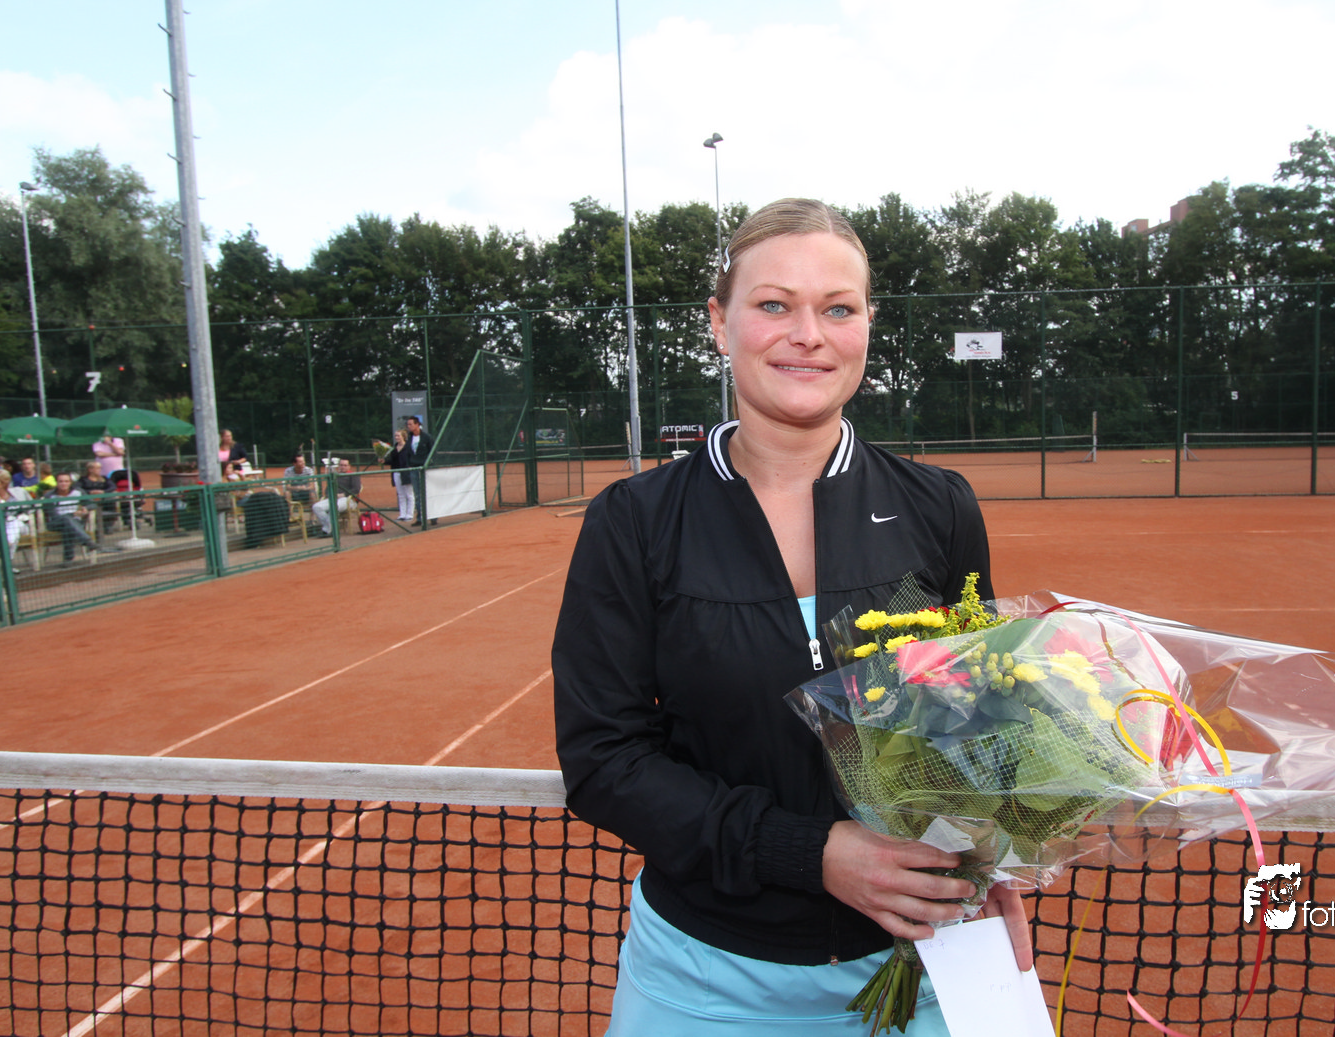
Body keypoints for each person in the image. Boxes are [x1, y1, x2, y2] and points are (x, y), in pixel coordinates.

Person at [552, 199, 1031, 1036]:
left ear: (868, 324)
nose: (807, 334)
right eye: (774, 304)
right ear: (719, 322)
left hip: (922, 961)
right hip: (704, 981)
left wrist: (990, 857)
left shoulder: (939, 506)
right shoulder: (633, 520)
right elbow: (603, 759)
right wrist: (809, 852)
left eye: (837, 309)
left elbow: (975, 716)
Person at [43, 472, 119, 565]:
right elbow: (54, 516)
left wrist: (86, 508)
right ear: (57, 483)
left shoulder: (78, 492)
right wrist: (73, 514)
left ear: (70, 482)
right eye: (61, 481)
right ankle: (87, 541)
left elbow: (92, 504)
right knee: (67, 519)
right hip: (55, 523)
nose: (64, 484)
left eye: (66, 481)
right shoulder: (49, 496)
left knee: (68, 527)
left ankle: (68, 560)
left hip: (74, 523)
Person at [312, 458, 362, 536]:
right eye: (341, 465)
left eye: (345, 465)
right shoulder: (334, 476)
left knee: (333, 507)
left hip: (349, 500)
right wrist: (331, 495)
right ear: (338, 466)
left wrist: (343, 494)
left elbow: (356, 489)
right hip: (333, 498)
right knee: (316, 507)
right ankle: (331, 527)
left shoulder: (353, 475)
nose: (343, 467)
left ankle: (327, 531)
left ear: (349, 466)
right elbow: (327, 490)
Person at [404, 415, 434, 526]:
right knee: (417, 495)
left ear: (417, 424)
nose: (409, 426)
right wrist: (409, 464)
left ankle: (433, 516)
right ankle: (420, 518)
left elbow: (433, 451)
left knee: (428, 493)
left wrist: (428, 464)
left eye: (411, 424)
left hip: (425, 469)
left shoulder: (427, 437)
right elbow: (407, 453)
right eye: (408, 424)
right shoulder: (409, 438)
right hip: (414, 469)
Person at [382, 429, 416, 522]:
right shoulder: (394, 448)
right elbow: (393, 461)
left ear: (403, 436)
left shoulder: (408, 447)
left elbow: (412, 458)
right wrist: (384, 461)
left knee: (409, 494)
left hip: (406, 472)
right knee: (400, 494)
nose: (396, 437)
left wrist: (410, 467)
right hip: (396, 472)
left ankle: (410, 514)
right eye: (396, 436)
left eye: (398, 435)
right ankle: (402, 514)